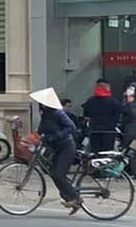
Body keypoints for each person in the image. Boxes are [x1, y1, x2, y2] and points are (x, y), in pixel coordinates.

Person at [30, 86, 81, 215]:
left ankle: (76, 199)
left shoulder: (58, 113)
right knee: (53, 172)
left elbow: (71, 127)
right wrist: (34, 137)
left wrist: (55, 136)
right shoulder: (45, 113)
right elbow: (41, 129)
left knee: (59, 174)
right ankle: (69, 198)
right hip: (56, 147)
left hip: (66, 147)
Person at [83, 80, 123, 154]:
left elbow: (86, 114)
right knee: (107, 153)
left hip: (94, 131)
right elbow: (121, 112)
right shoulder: (113, 102)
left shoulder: (90, 101)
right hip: (109, 132)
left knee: (94, 153)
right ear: (107, 88)